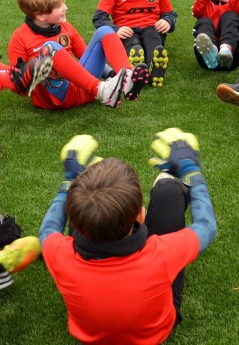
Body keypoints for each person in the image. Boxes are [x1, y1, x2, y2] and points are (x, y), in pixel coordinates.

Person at [39, 128, 217, 344]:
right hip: (156, 332)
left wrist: (70, 182)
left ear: (72, 223)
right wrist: (191, 170)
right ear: (141, 215)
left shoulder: (58, 253)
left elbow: (47, 230)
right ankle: (168, 183)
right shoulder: (163, 254)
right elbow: (206, 226)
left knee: (87, 210)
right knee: (168, 189)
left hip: (89, 336)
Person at [8, 0, 150, 110]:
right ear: (40, 15)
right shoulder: (20, 37)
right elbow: (18, 85)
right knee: (50, 48)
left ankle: (126, 79)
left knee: (105, 30)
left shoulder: (66, 27)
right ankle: (102, 90)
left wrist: (111, 74)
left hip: (85, 89)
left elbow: (85, 54)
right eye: (58, 6)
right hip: (58, 97)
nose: (65, 7)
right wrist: (36, 71)